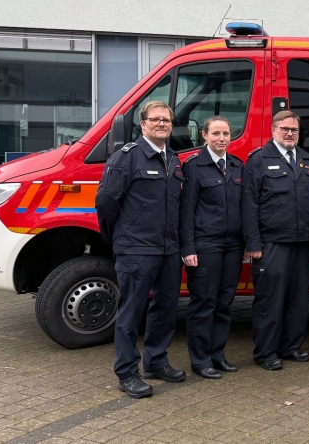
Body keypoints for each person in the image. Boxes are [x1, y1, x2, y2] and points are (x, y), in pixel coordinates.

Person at [96, 100, 186, 399]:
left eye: (167, 120)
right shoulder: (126, 158)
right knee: (131, 312)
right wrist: (120, 239)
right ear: (143, 124)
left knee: (165, 309)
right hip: (136, 249)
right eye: (155, 119)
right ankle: (126, 372)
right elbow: (106, 202)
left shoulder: (173, 159)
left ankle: (156, 362)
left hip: (168, 249)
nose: (162, 124)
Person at [242, 111, 309, 371]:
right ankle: (265, 352)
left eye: (294, 130)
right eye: (285, 129)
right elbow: (249, 204)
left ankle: (291, 347)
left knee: (298, 299)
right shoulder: (259, 160)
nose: (290, 133)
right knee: (270, 300)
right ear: (274, 130)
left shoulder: (308, 161)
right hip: (271, 243)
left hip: (302, 243)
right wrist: (253, 243)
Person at [179, 116, 245, 379]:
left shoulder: (238, 166)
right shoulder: (194, 167)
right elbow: (186, 212)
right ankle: (200, 359)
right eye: (216, 133)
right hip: (205, 244)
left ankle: (218, 355)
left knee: (224, 303)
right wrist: (188, 248)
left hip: (233, 246)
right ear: (204, 136)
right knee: (203, 303)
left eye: (226, 133)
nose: (222, 138)